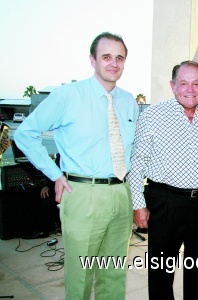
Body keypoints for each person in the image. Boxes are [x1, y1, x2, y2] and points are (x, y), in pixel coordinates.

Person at [14, 32, 138, 299]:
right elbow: (25, 134)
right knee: (81, 273)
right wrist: (55, 175)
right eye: (106, 56)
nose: (113, 63)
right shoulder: (68, 96)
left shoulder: (128, 101)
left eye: (119, 57)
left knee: (114, 272)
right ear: (92, 60)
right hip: (83, 194)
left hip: (121, 193)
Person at [128, 60, 198, 299]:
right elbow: (138, 162)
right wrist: (138, 204)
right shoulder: (153, 115)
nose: (190, 89)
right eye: (183, 83)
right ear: (173, 85)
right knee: (161, 273)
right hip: (165, 202)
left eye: (196, 83)